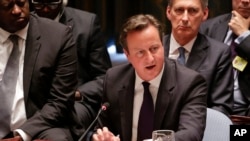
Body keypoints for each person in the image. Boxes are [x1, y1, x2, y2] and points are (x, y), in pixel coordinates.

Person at [90, 14, 208, 141]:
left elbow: (191, 134)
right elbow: (101, 128)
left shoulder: (190, 83)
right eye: (140, 52)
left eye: (154, 48)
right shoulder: (114, 79)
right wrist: (103, 137)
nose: (150, 59)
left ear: (163, 45)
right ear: (127, 55)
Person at [30, 0, 112, 135]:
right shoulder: (24, 24)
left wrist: (77, 93)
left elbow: (105, 77)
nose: (45, 9)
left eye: (51, 3)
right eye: (39, 4)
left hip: (75, 101)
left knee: (64, 122)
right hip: (37, 100)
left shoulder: (87, 23)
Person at [0, 0, 78, 140]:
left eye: (21, 3)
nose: (17, 10)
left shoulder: (58, 36)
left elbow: (60, 101)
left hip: (40, 126)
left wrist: (22, 135)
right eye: (8, 6)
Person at [163, 0, 234, 116]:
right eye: (179, 10)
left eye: (192, 11)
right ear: (169, 12)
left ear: (205, 14)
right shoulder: (154, 50)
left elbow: (221, 108)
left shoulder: (219, 54)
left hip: (202, 129)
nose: (185, 18)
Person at [200, 0, 250, 116]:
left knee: (236, 135)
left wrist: (244, 35)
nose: (245, 1)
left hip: (245, 116)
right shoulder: (208, 28)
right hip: (212, 111)